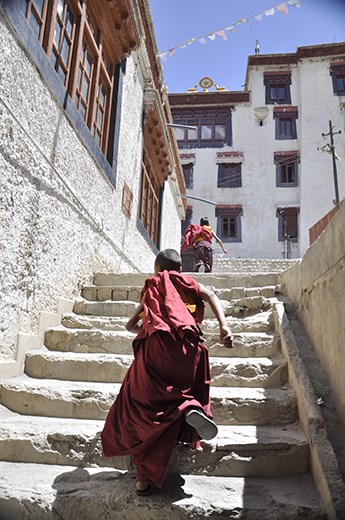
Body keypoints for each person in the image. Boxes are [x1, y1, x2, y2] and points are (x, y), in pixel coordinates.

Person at [101, 249, 233, 496]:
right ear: (180, 269)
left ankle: (144, 478)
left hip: (156, 350)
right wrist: (224, 327)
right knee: (180, 393)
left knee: (140, 405)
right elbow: (212, 295)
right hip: (190, 348)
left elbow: (130, 325)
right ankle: (188, 407)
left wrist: (145, 328)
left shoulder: (155, 285)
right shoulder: (187, 283)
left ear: (156, 268)